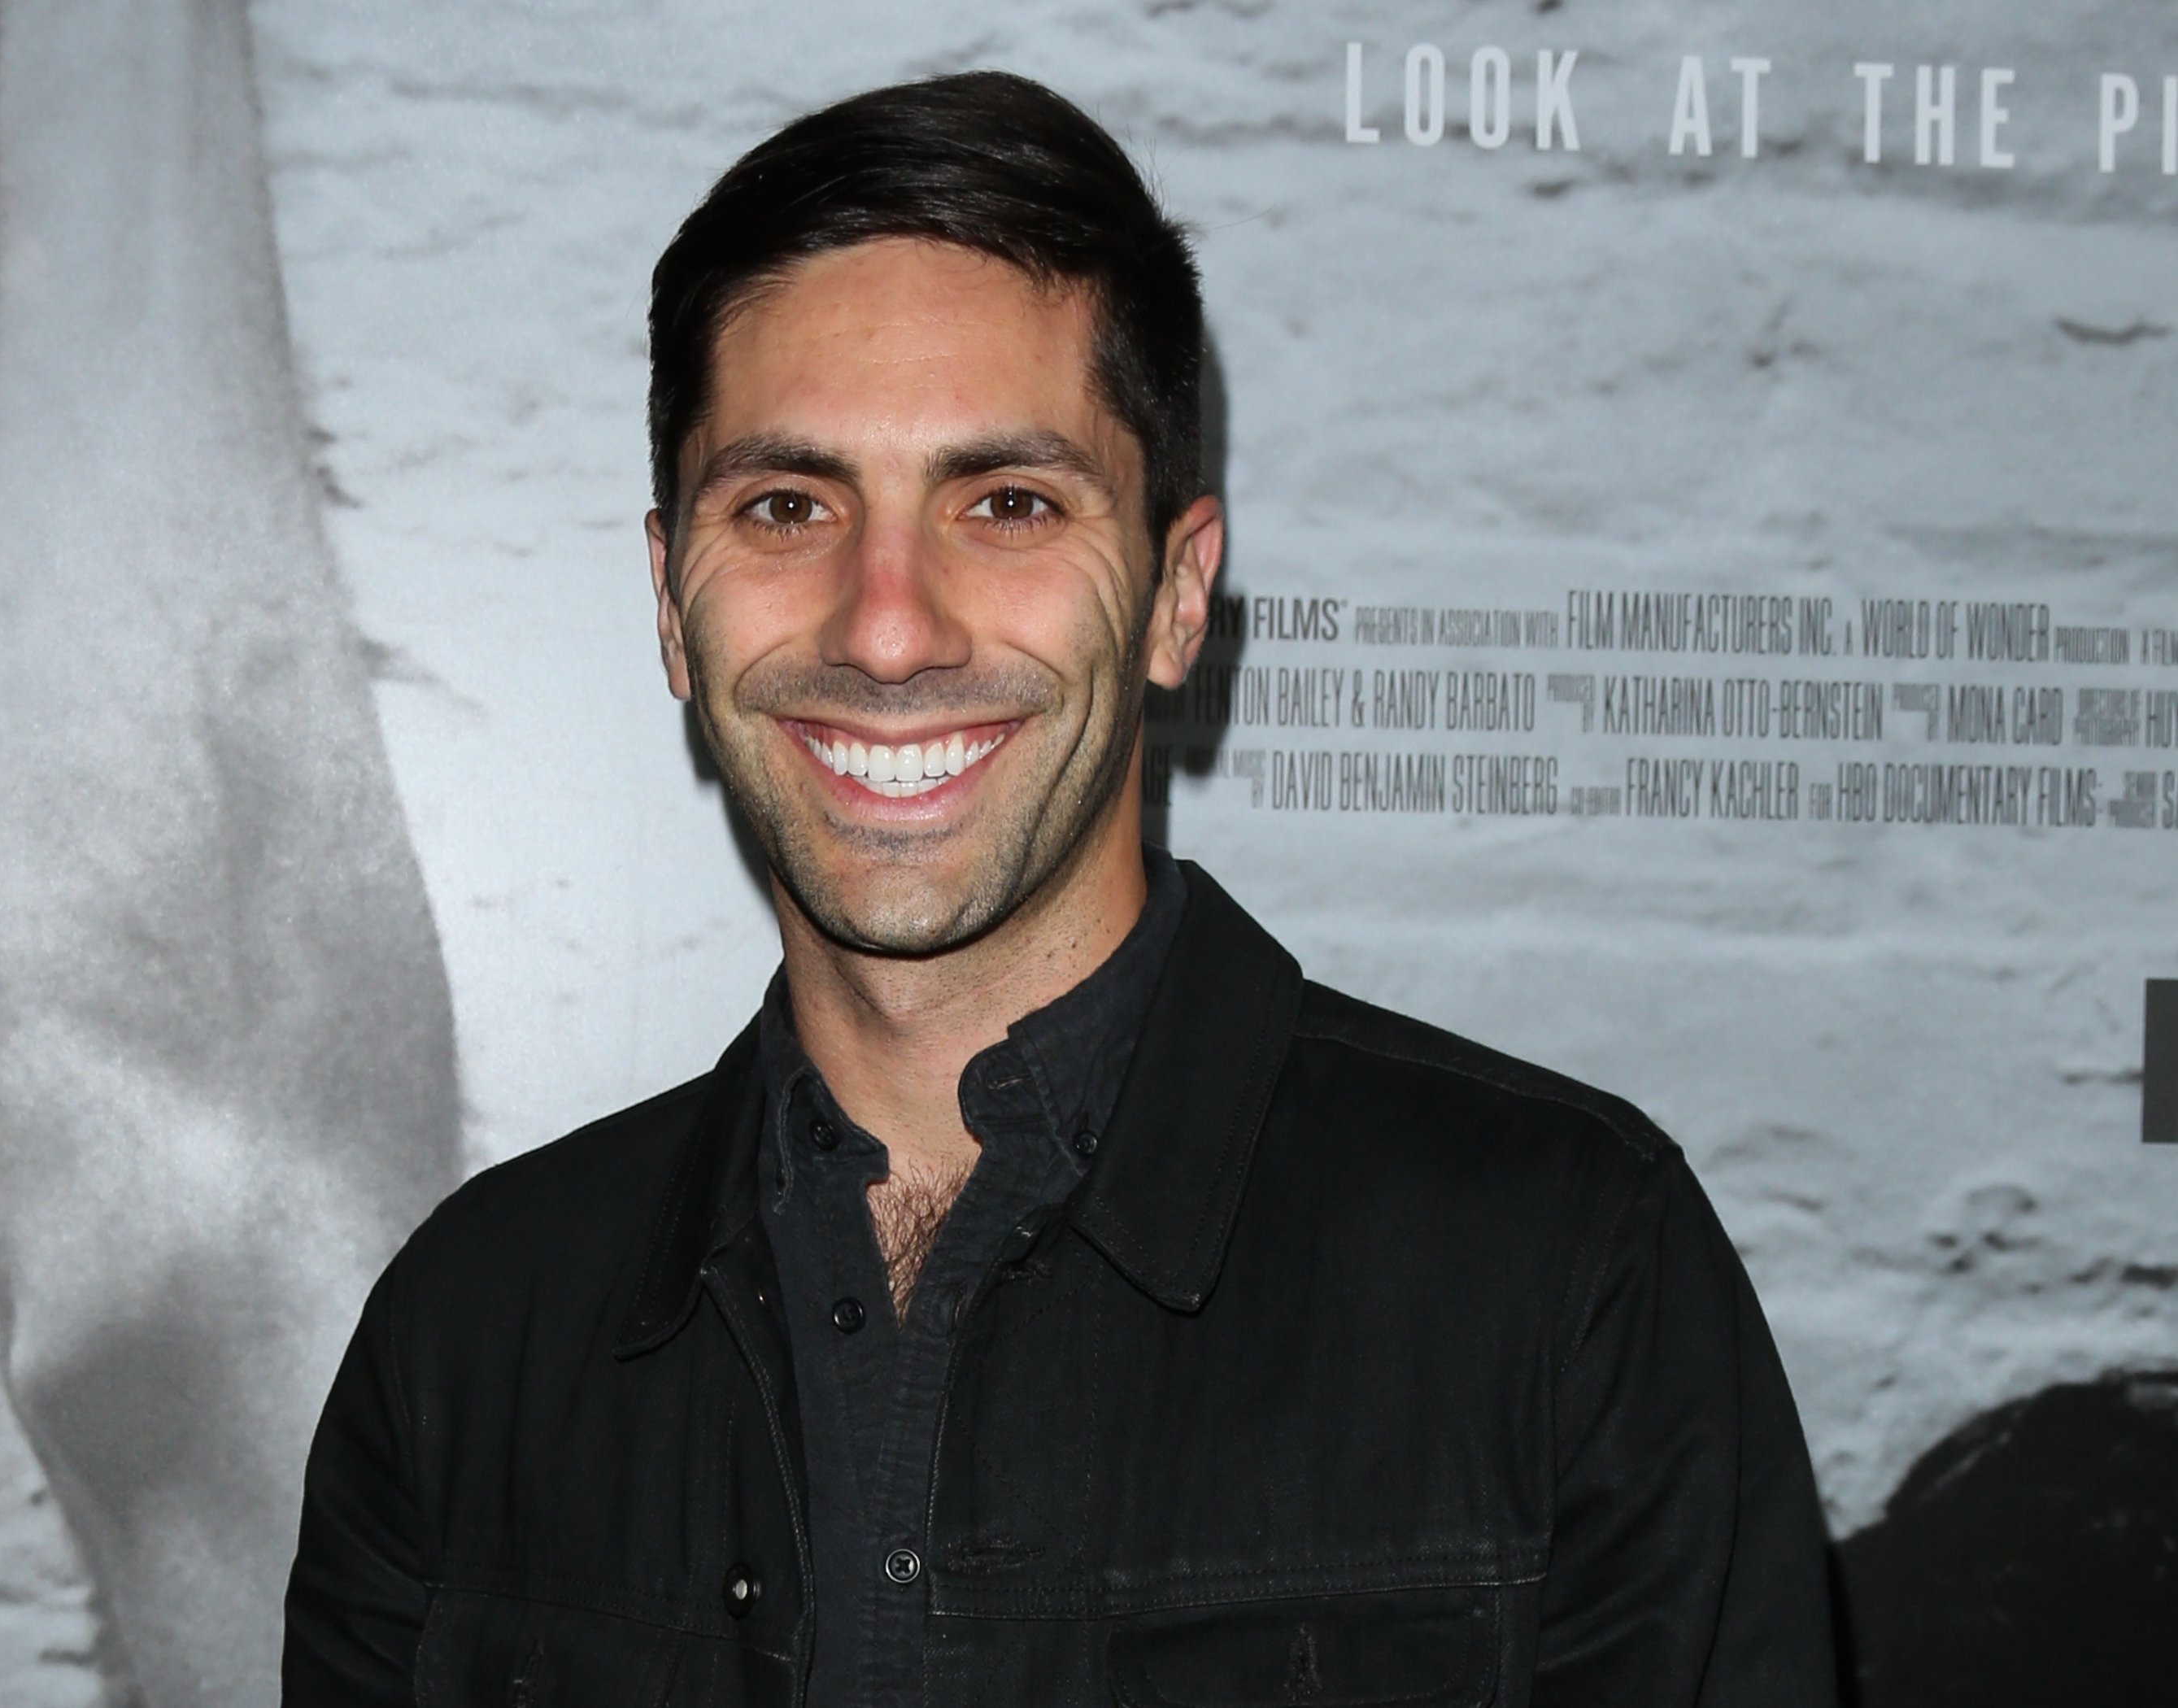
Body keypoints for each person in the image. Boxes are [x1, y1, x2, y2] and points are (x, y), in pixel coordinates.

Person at [283, 71, 1838, 1707]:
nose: (890, 628)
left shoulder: (1565, 1275)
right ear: (673, 603)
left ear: (1176, 595)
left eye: (1009, 504)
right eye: (789, 506)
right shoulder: (473, 1335)